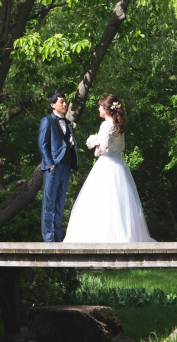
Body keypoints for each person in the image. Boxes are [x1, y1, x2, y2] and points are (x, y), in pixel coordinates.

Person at [64, 94, 153, 243]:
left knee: (101, 201)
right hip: (120, 165)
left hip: (107, 164)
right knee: (119, 201)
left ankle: (101, 236)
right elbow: (119, 146)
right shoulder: (118, 125)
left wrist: (96, 150)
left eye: (100, 106)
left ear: (106, 109)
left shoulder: (106, 124)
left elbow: (104, 147)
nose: (98, 109)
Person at [38, 90, 78, 243]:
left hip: (66, 166)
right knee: (49, 202)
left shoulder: (68, 123)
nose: (65, 104)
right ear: (52, 104)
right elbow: (43, 144)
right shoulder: (47, 121)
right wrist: (50, 165)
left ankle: (57, 237)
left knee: (60, 202)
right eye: (61, 101)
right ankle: (48, 238)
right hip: (53, 167)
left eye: (65, 101)